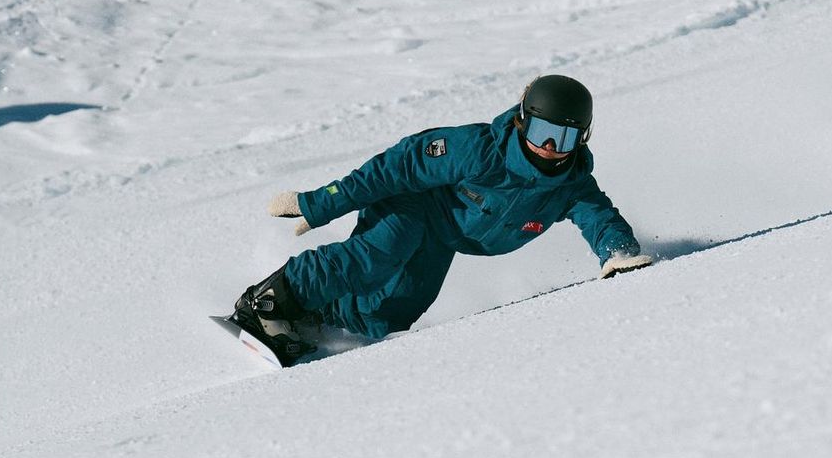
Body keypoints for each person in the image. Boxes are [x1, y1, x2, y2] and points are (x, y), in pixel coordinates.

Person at [232, 74, 652, 365]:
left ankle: (316, 319)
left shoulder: (571, 185)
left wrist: (618, 256)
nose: (547, 147)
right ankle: (267, 301)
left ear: (581, 139)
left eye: (562, 138)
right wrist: (321, 202)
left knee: (395, 311)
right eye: (541, 130)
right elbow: (395, 168)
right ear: (523, 118)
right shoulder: (477, 149)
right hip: (414, 203)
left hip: (445, 235)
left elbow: (601, 220)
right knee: (378, 255)